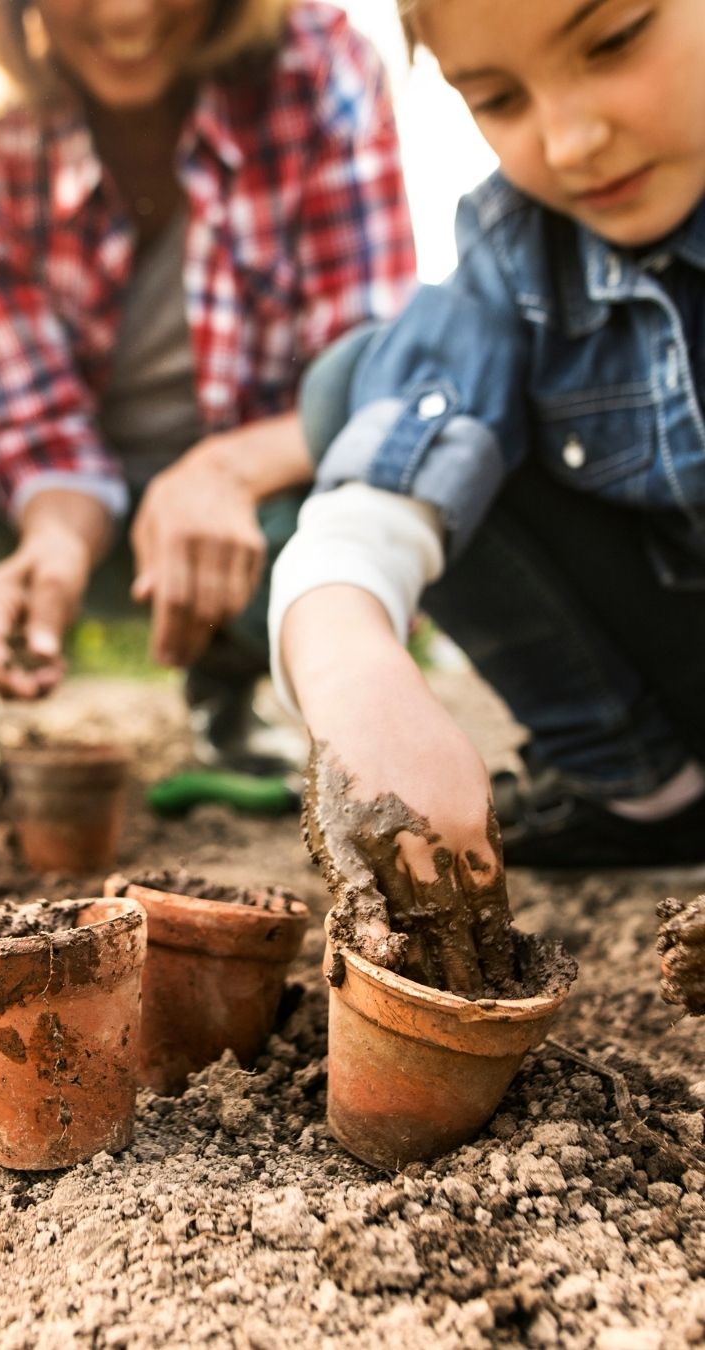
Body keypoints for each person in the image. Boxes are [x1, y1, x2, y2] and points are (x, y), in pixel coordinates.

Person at [0, 0, 416, 818]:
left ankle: (229, 685)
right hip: (72, 522)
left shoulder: (319, 64)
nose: (128, 10)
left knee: (390, 476)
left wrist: (224, 472)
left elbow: (369, 373)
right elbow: (39, 427)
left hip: (259, 519)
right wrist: (57, 538)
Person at [271, 0, 705, 986]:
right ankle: (643, 789)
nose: (571, 139)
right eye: (498, 98)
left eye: (615, 40)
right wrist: (357, 678)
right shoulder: (518, 248)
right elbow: (373, 500)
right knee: (355, 385)